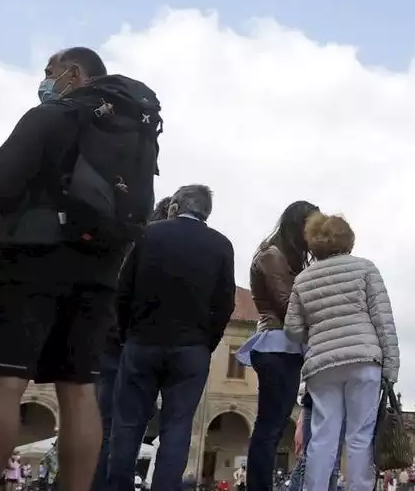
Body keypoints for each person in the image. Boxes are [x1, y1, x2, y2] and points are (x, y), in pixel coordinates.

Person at [0, 48, 162, 491]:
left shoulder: (54, 115)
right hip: (102, 268)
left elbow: (0, 179)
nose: (46, 81)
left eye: (50, 72)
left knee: (5, 380)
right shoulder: (133, 130)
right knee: (79, 388)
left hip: (33, 258)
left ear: (73, 73)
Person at [108, 185, 235, 491]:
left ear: (176, 206)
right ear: (206, 212)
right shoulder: (221, 246)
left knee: (127, 424)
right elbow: (225, 303)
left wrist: (127, 333)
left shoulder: (148, 235)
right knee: (177, 426)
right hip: (191, 349)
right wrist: (207, 343)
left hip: (142, 342)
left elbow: (123, 290)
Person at [285, 212, 398, 491]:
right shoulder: (366, 269)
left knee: (323, 436)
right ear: (348, 239)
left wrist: (319, 332)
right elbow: (383, 321)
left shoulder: (303, 280)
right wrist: (391, 367)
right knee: (360, 436)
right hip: (364, 360)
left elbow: (292, 329)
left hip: (322, 366)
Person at [92, 196, 172, 491]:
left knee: (111, 424)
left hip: (114, 344)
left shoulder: (131, 245)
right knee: (117, 426)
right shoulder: (151, 251)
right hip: (127, 345)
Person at [243, 200, 319, 491]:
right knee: (269, 426)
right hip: (276, 345)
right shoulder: (272, 255)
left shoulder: (282, 256)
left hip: (284, 347)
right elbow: (287, 305)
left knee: (272, 425)